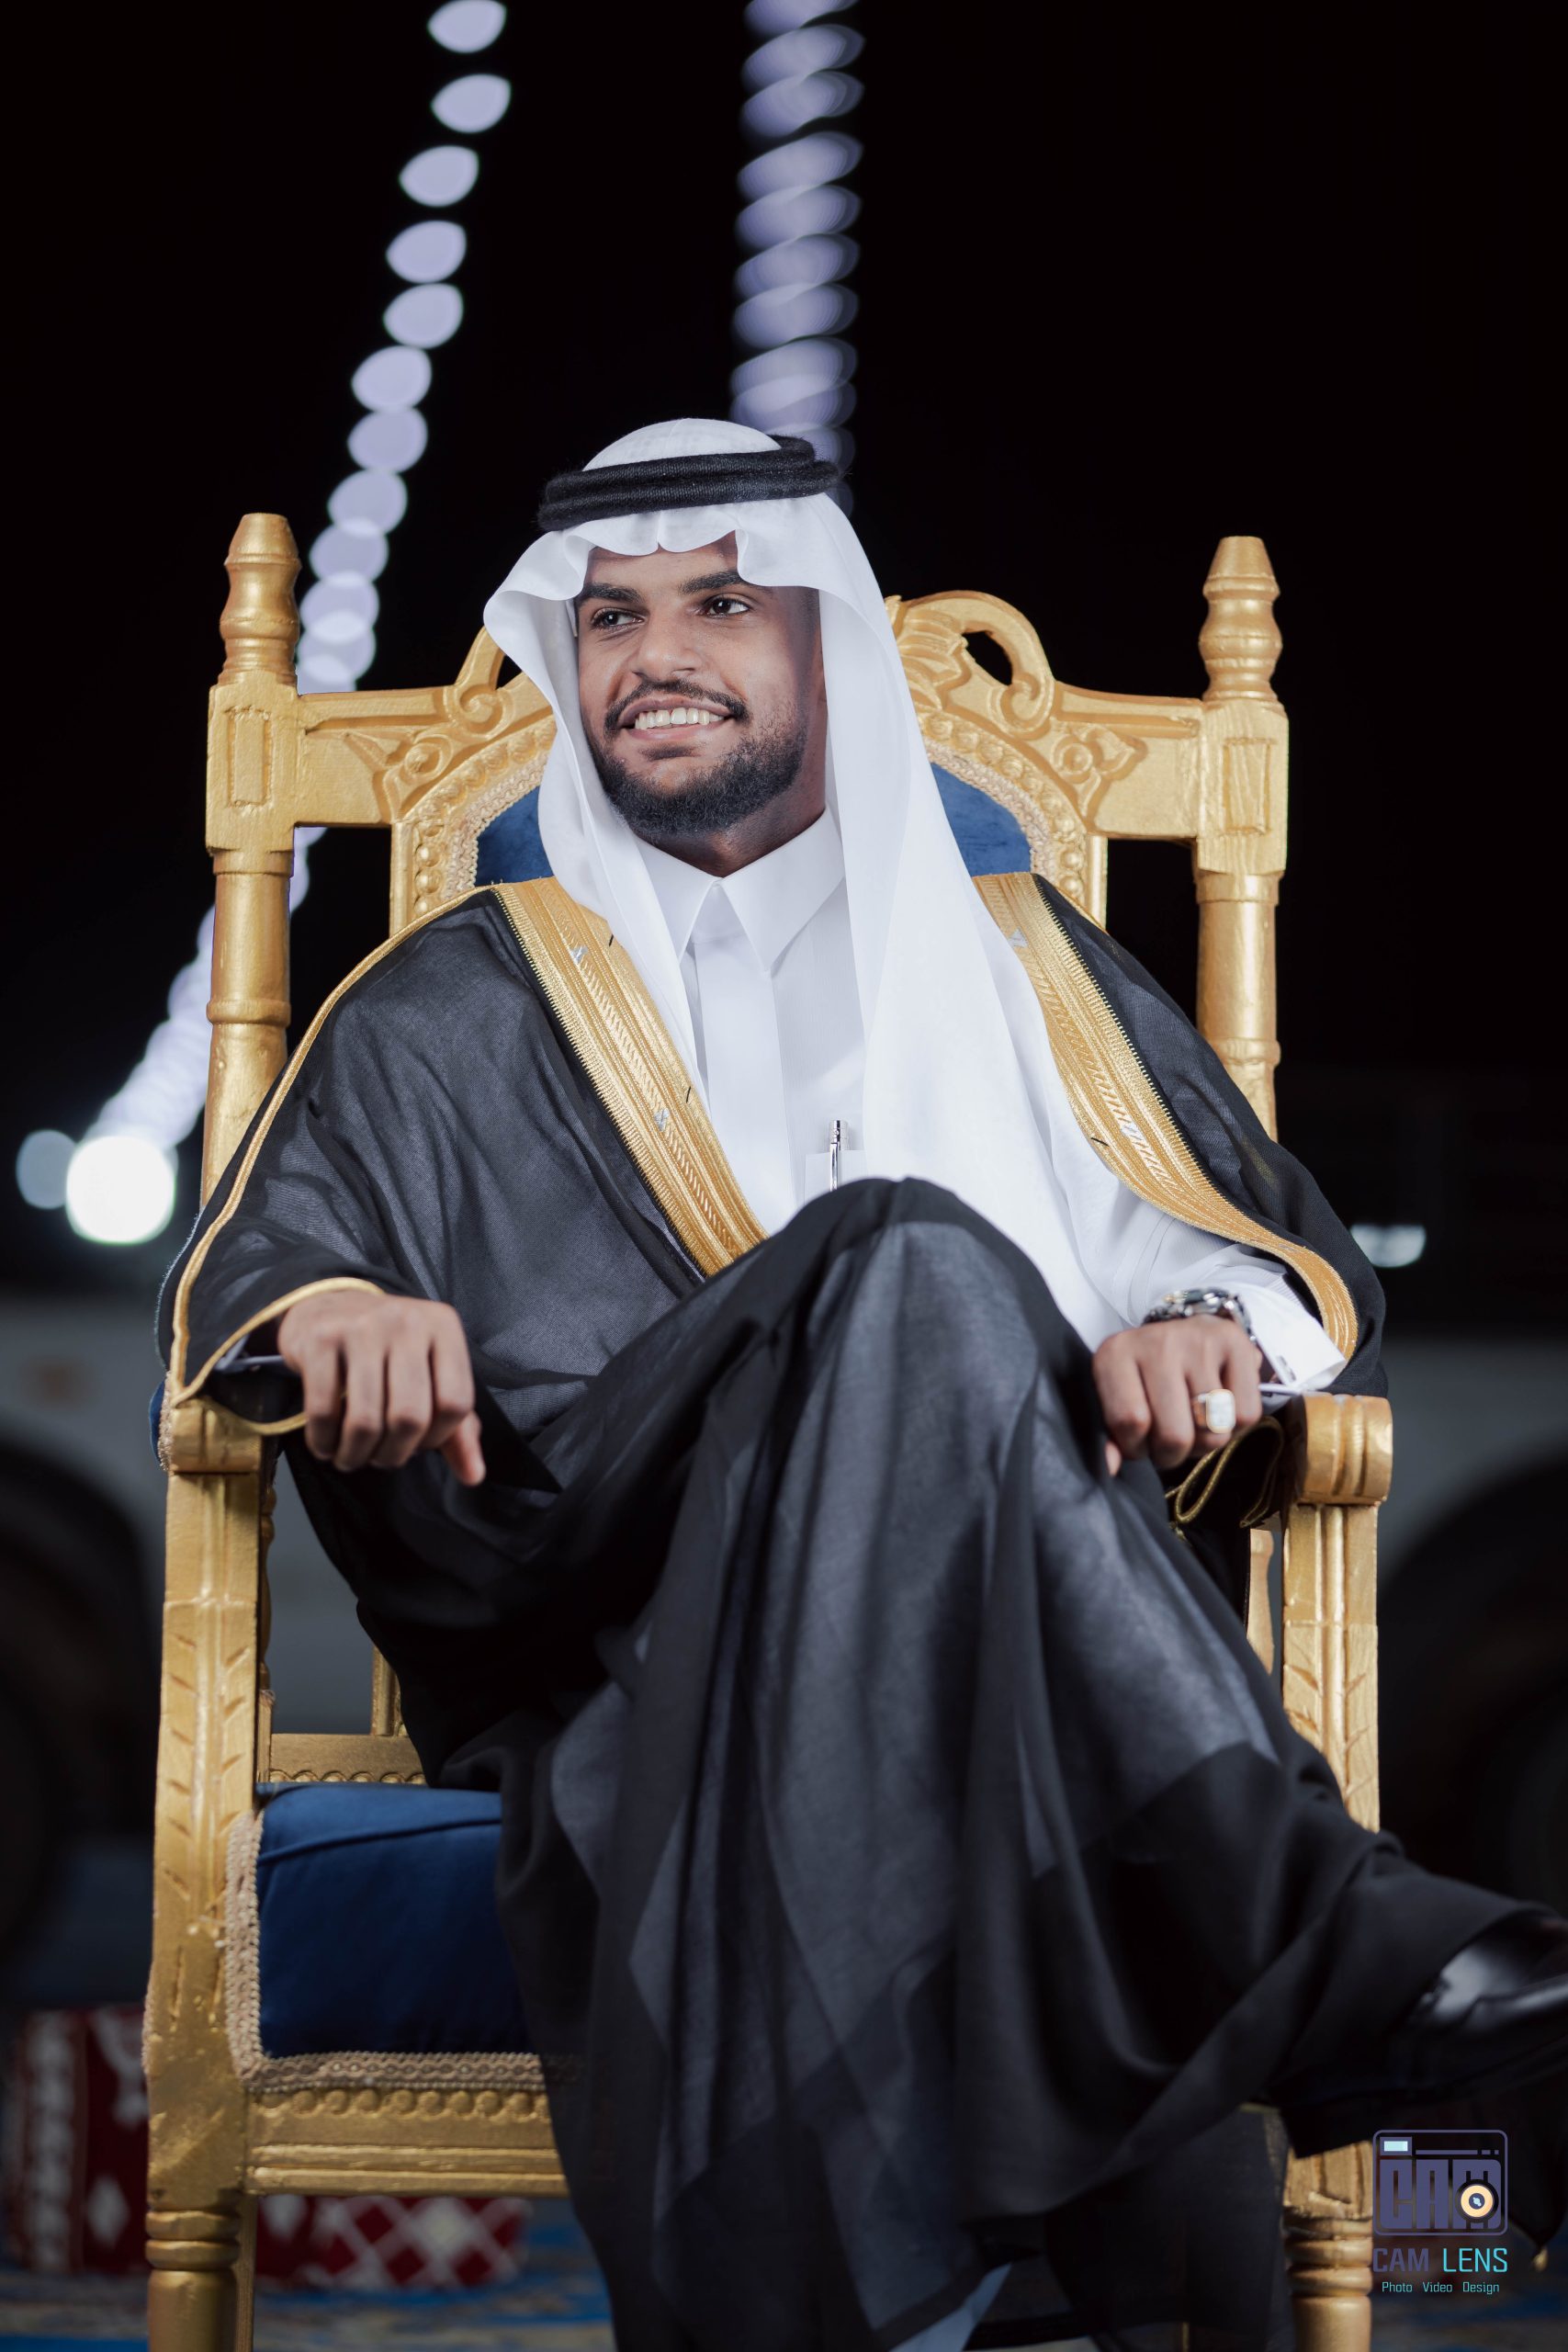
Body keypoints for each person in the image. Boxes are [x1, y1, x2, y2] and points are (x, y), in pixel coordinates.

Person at [158, 420, 1566, 2352]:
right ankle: (1330, 1940)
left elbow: (1259, 1253)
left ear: (823, 641)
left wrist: (1207, 1327)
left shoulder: (1019, 971)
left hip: (977, 1690)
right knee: (906, 1255)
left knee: (920, 1289)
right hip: (609, 1620)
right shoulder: (458, 996)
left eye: (721, 604)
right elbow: (263, 1265)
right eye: (612, 616)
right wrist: (330, 1307)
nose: (656, 652)